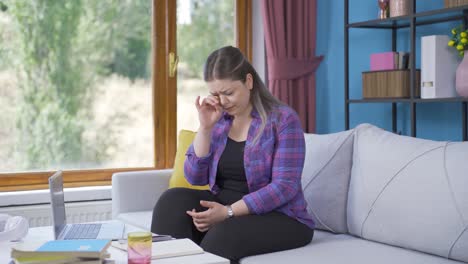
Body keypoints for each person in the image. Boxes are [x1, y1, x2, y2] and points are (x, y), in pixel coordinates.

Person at [151, 46, 314, 263]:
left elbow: (284, 187)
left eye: (228, 93)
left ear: (248, 81)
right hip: (225, 206)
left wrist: (228, 212)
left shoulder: (283, 120)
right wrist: (205, 128)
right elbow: (194, 177)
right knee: (171, 201)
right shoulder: (220, 121)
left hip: (281, 217)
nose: (223, 101)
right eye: (216, 94)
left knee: (224, 234)